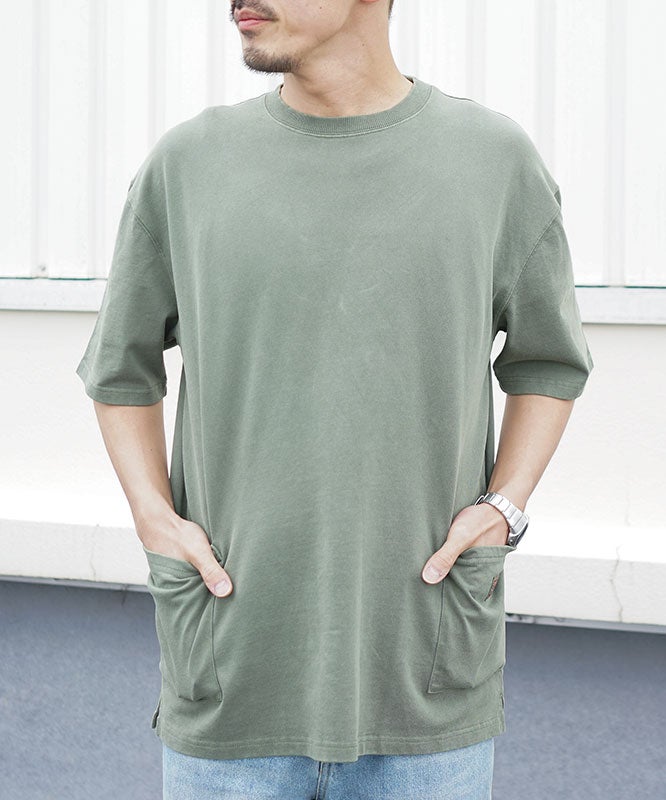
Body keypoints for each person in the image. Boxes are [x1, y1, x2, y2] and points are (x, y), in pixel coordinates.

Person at [75, 0, 594, 797]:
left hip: (423, 676)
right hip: (232, 670)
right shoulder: (188, 166)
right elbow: (120, 370)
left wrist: (504, 506)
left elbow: (548, 363)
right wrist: (153, 517)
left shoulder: (492, 164)